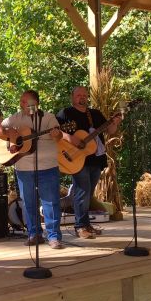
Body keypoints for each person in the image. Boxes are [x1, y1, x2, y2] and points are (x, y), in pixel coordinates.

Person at [0, 90, 64, 249]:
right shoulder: (16, 118)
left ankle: (54, 236)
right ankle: (34, 234)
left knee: (51, 202)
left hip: (47, 166)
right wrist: (10, 135)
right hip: (23, 167)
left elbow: (58, 136)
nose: (21, 104)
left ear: (35, 103)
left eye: (25, 101)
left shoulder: (48, 118)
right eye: (21, 101)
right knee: (28, 202)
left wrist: (56, 134)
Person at [57, 86, 120, 239]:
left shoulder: (95, 114)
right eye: (79, 95)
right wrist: (71, 138)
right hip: (76, 159)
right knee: (83, 191)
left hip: (95, 158)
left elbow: (110, 131)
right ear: (72, 97)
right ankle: (80, 227)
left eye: (85, 95)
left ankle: (86, 224)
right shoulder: (65, 113)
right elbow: (55, 132)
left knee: (88, 193)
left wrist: (116, 122)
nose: (82, 97)